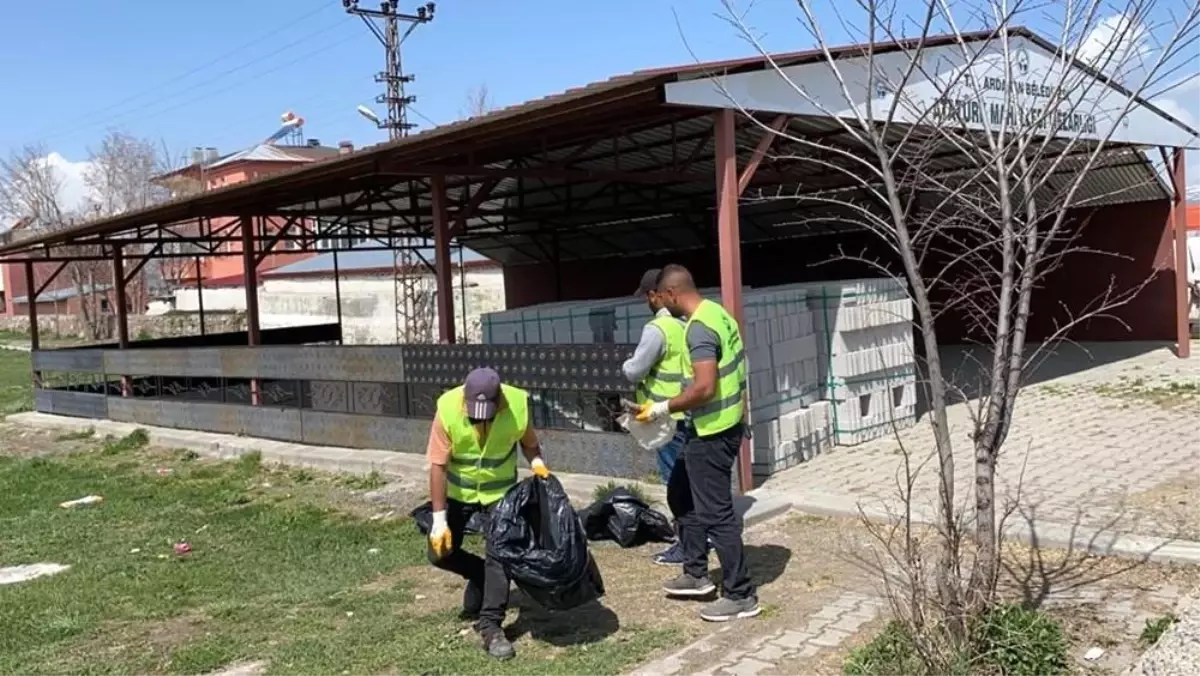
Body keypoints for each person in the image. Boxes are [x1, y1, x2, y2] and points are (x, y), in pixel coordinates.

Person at [636, 263, 759, 622]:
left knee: (716, 513)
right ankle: (695, 573)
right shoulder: (718, 314)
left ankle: (741, 594)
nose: (661, 305)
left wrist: (661, 408)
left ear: (672, 293)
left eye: (662, 297)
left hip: (713, 432)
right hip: (713, 427)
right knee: (680, 493)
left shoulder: (700, 329)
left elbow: (704, 388)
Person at [426, 366, 552, 660]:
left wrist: (537, 465)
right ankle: (479, 575)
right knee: (439, 553)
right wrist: (439, 519)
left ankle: (492, 628)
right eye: (473, 412)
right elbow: (438, 466)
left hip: (500, 494)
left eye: (487, 412)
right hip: (460, 494)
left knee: (499, 554)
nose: (480, 418)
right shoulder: (447, 408)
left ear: (500, 402)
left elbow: (530, 445)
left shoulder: (517, 405)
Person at [621, 268, 692, 565]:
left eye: (647, 297)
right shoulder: (687, 324)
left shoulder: (657, 329)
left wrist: (627, 363)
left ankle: (685, 542)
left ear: (656, 295)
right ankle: (703, 534)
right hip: (687, 410)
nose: (646, 303)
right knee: (691, 478)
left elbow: (635, 370)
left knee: (675, 482)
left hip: (664, 416)